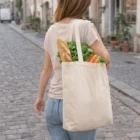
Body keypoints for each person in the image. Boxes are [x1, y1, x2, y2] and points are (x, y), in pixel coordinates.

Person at [35, 0, 111, 140]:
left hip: (53, 103)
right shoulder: (85, 26)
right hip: (78, 104)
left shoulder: (51, 30)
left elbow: (46, 69)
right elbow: (105, 59)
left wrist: (40, 97)